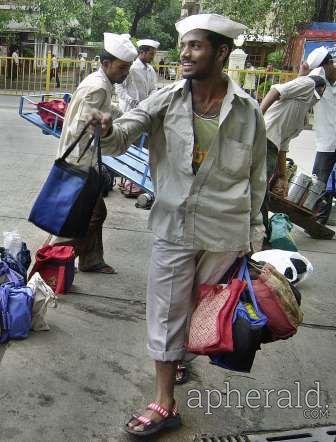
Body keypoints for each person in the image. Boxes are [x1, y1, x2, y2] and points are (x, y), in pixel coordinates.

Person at [90, 13, 266, 437]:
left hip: (225, 232)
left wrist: (253, 236)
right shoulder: (166, 98)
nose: (184, 54)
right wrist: (109, 128)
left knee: (202, 310)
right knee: (168, 308)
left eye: (195, 46)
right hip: (173, 223)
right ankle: (164, 401)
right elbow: (125, 132)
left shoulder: (248, 111)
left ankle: (179, 358)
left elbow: (258, 177)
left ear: (221, 53)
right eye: (183, 46)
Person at [52, 33, 137, 274]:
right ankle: (55, 262)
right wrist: (113, 144)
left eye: (127, 68)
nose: (125, 73)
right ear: (106, 63)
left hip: (81, 161)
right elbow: (82, 129)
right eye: (122, 67)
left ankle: (89, 259)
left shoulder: (99, 83)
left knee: (92, 213)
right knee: (89, 215)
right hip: (79, 163)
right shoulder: (99, 87)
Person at [260, 75, 326, 235]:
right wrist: (258, 115)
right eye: (320, 92)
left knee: (261, 191)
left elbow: (283, 145)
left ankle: (260, 230)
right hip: (263, 138)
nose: (320, 97)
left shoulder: (303, 114)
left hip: (273, 146)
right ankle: (259, 232)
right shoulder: (308, 83)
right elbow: (276, 90)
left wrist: (282, 176)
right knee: (259, 191)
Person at [306, 46, 336, 241]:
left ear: (330, 63)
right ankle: (318, 222)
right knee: (320, 183)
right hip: (325, 141)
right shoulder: (316, 83)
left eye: (320, 68)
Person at [116, 38, 159, 112]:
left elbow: (153, 88)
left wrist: (152, 97)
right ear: (142, 52)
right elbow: (119, 88)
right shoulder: (131, 68)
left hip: (144, 109)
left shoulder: (150, 69)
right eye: (151, 54)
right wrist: (130, 100)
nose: (153, 57)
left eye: (154, 54)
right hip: (128, 110)